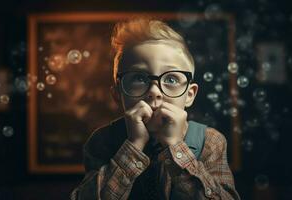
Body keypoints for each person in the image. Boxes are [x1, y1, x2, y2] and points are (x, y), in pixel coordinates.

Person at [71, 17, 241, 200]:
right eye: (139, 78)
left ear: (189, 94)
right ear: (118, 94)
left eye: (171, 79)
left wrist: (176, 147)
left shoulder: (210, 141)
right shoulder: (103, 140)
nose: (154, 91)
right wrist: (134, 145)